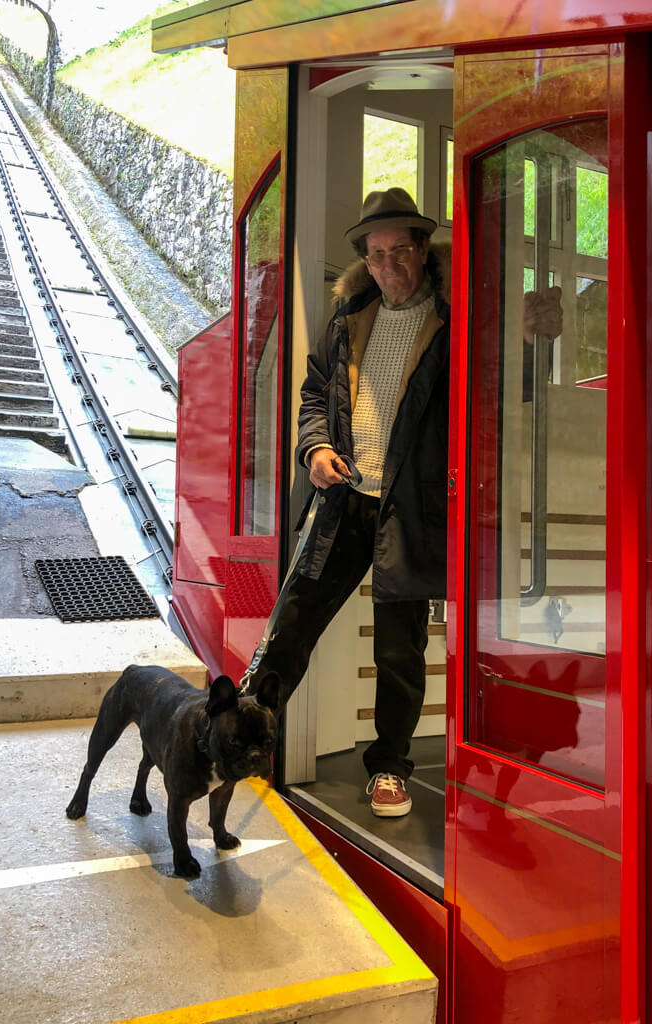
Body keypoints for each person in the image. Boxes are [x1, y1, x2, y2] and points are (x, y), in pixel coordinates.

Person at [245, 187, 561, 818]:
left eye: (399, 251)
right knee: (290, 627)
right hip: (342, 501)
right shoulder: (348, 318)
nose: (388, 265)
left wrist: (531, 343)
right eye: (377, 254)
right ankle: (244, 741)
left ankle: (389, 768)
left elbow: (500, 391)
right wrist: (314, 449)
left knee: (398, 652)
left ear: (422, 251)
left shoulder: (456, 321)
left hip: (411, 511)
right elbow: (314, 395)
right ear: (365, 259)